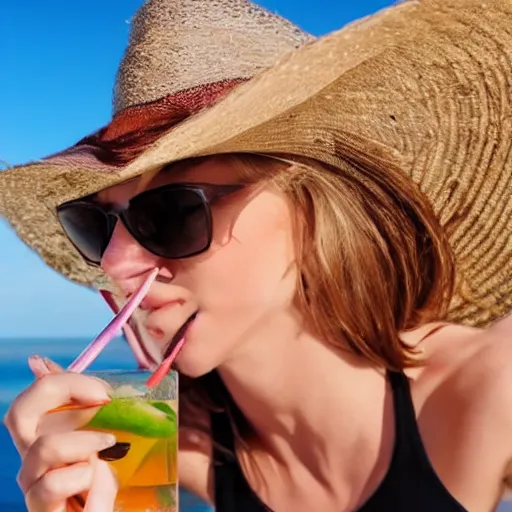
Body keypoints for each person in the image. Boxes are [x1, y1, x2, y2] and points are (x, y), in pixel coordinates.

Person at [2, 0, 512, 511]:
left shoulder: (492, 383)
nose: (113, 265)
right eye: (96, 226)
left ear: (308, 206)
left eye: (173, 213)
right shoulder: (170, 445)